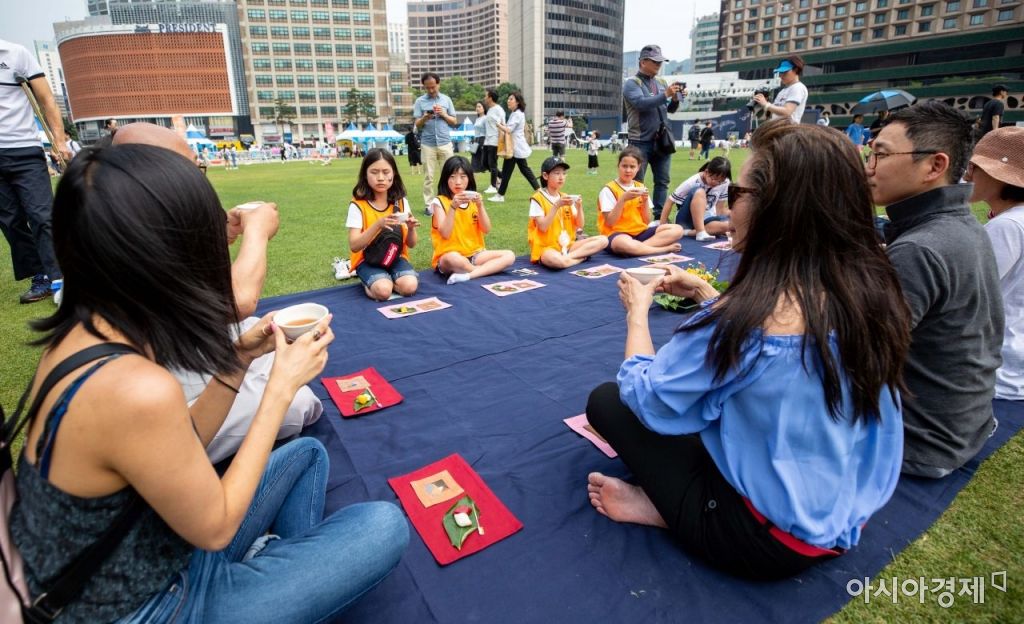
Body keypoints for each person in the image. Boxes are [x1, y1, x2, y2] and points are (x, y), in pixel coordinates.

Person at [9, 143, 408, 622]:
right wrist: (280, 389)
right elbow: (216, 527)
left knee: (307, 455)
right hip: (154, 605)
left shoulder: (84, 336)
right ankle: (272, 581)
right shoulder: (133, 387)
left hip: (158, 548)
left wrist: (238, 359)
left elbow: (180, 442)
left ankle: (276, 572)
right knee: (383, 524)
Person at [585, 120, 910, 580]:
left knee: (608, 401)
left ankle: (667, 509)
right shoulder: (870, 293)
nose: (729, 205)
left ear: (775, 209)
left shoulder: (741, 322)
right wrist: (705, 293)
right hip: (841, 511)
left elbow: (647, 398)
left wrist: (637, 312)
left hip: (761, 538)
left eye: (737, 193)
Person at [111, 123, 323, 463]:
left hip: (176, 349)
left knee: (271, 338)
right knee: (300, 405)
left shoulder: (119, 216)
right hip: (164, 387)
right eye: (190, 171)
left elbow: (195, 289)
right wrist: (257, 233)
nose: (199, 180)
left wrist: (217, 232)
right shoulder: (126, 231)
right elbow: (236, 302)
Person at [867, 101, 1003, 478]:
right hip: (962, 426)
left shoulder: (920, 248)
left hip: (920, 441)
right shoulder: (960, 226)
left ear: (934, 165)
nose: (869, 167)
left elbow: (855, 358)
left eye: (881, 155)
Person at [0, 38, 69, 304]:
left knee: (41, 215)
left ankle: (59, 277)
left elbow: (46, 99)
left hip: (24, 149)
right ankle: (41, 276)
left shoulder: (16, 53)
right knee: (10, 221)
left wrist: (60, 141)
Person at [965, 126, 1024, 400]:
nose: (968, 174)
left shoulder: (1007, 226)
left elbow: (968, 292)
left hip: (998, 373)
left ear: (1000, 175)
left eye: (976, 167)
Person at [347, 148, 421, 301]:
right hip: (367, 260)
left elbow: (412, 244)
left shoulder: (401, 202)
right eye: (374, 172)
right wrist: (378, 225)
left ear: (394, 174)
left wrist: (411, 229)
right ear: (365, 174)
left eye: (386, 172)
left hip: (394, 256)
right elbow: (354, 246)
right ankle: (374, 281)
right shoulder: (358, 205)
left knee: (410, 287)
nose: (381, 178)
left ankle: (387, 280)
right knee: (383, 292)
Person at [623, 44, 685, 217]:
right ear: (643, 62)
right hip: (639, 141)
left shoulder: (662, 82)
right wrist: (665, 95)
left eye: (660, 61)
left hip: (662, 140)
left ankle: (659, 217)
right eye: (655, 61)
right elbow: (640, 104)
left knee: (663, 181)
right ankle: (636, 217)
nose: (659, 64)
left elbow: (669, 110)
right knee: (637, 182)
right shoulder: (632, 83)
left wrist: (676, 99)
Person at [430, 155, 514, 284]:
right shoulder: (439, 201)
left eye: (463, 176)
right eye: (452, 176)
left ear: (469, 178)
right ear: (445, 178)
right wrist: (453, 207)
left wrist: (480, 206)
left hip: (476, 255)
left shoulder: (473, 199)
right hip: (449, 255)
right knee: (453, 259)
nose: (458, 182)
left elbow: (486, 229)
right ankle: (483, 271)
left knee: (509, 255)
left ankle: (468, 275)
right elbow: (445, 233)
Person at [598, 146, 684, 257]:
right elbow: (610, 222)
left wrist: (645, 201)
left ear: (638, 168)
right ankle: (662, 249)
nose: (628, 170)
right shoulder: (608, 189)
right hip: (617, 234)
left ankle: (637, 249)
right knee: (622, 244)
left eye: (632, 167)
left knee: (677, 229)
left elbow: (646, 221)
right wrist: (623, 199)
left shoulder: (640, 187)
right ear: (618, 165)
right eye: (624, 166)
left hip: (640, 232)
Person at [527, 157, 609, 269]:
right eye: (557, 173)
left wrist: (579, 207)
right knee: (555, 261)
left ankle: (567, 258)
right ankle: (581, 257)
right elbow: (543, 227)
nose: (561, 177)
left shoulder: (565, 197)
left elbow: (580, 225)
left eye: (564, 173)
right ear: (545, 176)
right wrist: (557, 205)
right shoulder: (537, 198)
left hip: (568, 245)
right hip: (547, 248)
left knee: (603, 240)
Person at [413, 72, 457, 209]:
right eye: (427, 87)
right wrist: (425, 118)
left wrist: (443, 114)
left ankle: (448, 202)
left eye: (433, 87)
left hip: (445, 142)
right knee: (429, 177)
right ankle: (429, 205)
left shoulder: (446, 100)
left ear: (438, 84)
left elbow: (454, 121)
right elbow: (417, 124)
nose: (431, 90)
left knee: (449, 175)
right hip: (428, 144)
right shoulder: (420, 101)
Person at [660, 157, 731, 241]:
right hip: (686, 220)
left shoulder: (725, 182)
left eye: (720, 181)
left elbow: (720, 210)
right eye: (713, 179)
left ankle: (688, 232)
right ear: (706, 172)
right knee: (699, 191)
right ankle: (700, 232)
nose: (716, 183)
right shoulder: (693, 181)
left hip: (707, 219)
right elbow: (670, 201)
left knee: (729, 225)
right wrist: (662, 226)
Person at [491, 92, 540, 203]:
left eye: (511, 99)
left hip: (516, 147)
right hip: (515, 147)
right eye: (508, 99)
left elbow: (509, 130)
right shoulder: (515, 113)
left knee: (512, 172)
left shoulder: (517, 114)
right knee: (520, 170)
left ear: (517, 102)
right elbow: (509, 128)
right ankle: (539, 190)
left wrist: (498, 124)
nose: (508, 101)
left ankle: (500, 195)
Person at [752, 56, 808, 124]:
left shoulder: (798, 87)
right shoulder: (783, 90)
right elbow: (773, 114)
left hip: (788, 128)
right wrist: (761, 103)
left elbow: (787, 112)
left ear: (795, 70)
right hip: (778, 127)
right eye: (780, 72)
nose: (781, 75)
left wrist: (766, 104)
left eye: (784, 72)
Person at [481, 88, 505, 194]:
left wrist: (501, 140)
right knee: (484, 163)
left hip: (495, 141)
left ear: (490, 98)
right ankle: (503, 176)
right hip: (487, 140)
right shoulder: (490, 109)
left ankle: (493, 186)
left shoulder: (499, 109)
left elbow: (503, 124)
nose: (484, 98)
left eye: (486, 96)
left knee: (492, 164)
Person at [471, 101, 487, 172]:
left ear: (484, 108)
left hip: (483, 139)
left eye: (479, 106)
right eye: (476, 107)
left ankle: (498, 176)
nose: (477, 108)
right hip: (476, 140)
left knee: (485, 160)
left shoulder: (486, 118)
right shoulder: (477, 119)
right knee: (474, 159)